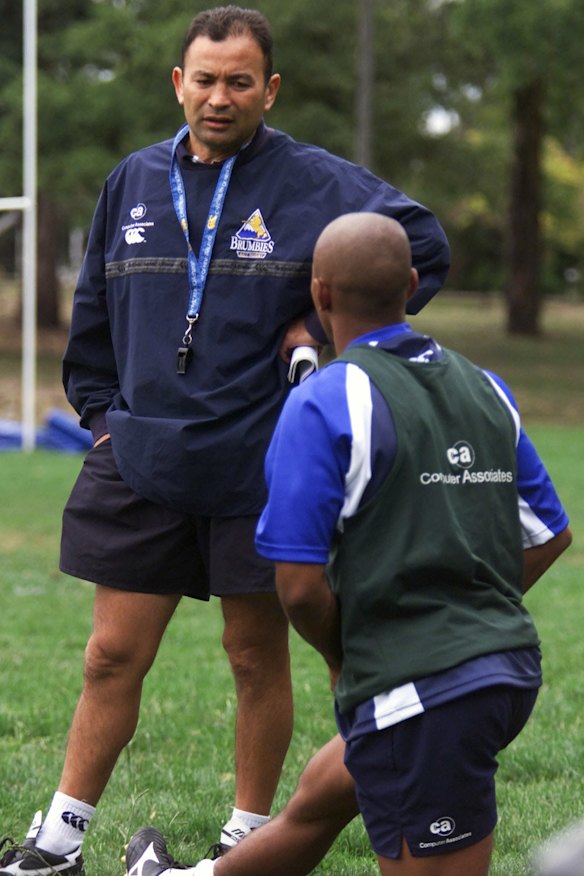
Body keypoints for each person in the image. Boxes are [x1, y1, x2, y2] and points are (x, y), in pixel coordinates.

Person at [0, 8, 451, 876]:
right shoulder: (132, 181)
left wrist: (320, 320)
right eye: (204, 79)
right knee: (109, 655)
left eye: (239, 81)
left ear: (268, 90)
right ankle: (59, 840)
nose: (219, 97)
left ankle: (246, 835)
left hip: (260, 463)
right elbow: (90, 320)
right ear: (179, 83)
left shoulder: (313, 181)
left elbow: (422, 244)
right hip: (141, 459)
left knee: (254, 654)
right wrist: (100, 423)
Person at [123, 213, 571, 876]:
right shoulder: (487, 386)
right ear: (413, 284)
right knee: (318, 803)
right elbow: (551, 532)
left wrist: (352, 654)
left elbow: (299, 588)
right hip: (505, 667)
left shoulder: (323, 402)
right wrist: (470, 605)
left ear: (320, 294)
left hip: (421, 696)